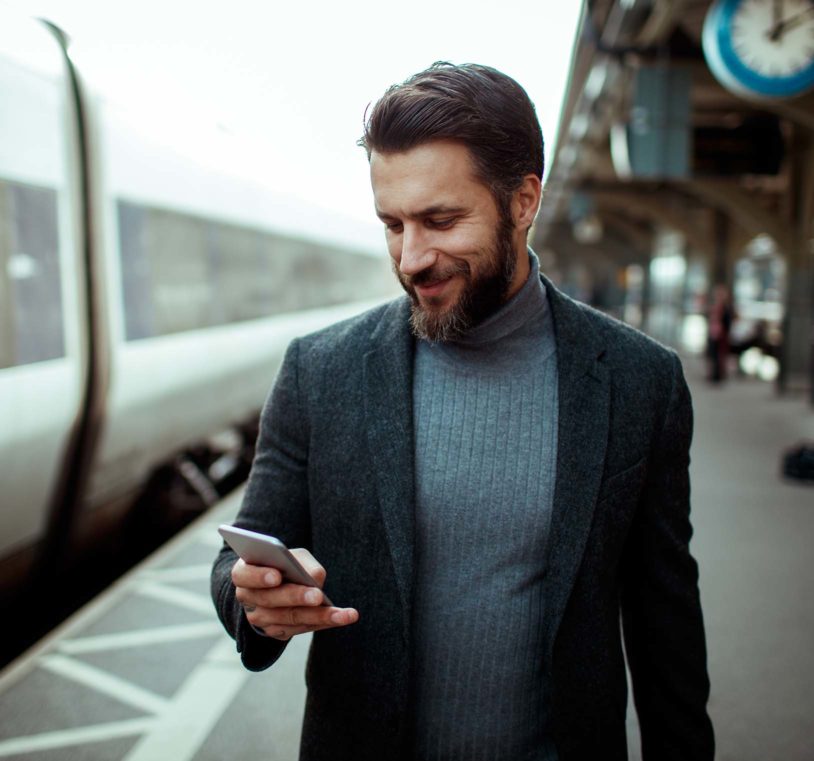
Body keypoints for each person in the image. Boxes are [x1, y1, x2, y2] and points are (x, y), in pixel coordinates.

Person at [211, 62, 714, 761]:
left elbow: (666, 621)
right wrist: (256, 602)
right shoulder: (319, 371)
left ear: (523, 201)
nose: (412, 256)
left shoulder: (639, 382)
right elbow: (241, 557)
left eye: (441, 220)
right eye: (393, 224)